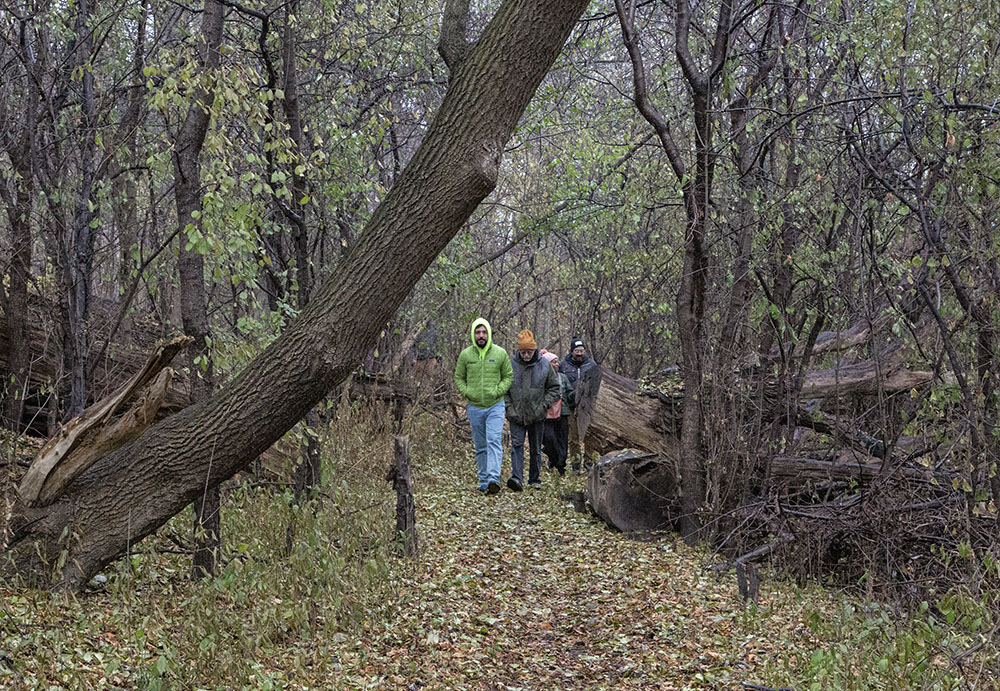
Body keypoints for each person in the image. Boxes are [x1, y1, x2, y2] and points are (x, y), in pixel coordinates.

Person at [454, 318, 513, 494]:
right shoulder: (465, 355)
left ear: (489, 333)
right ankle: (484, 480)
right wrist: (467, 393)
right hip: (474, 406)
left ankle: (493, 478)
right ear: (473, 334)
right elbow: (459, 377)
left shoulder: (500, 353)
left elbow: (508, 376)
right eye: (478, 332)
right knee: (481, 445)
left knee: (493, 440)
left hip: (495, 405)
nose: (481, 336)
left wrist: (497, 391)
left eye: (484, 332)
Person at [505, 330, 559, 490]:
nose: (526, 354)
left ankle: (534, 480)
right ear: (519, 350)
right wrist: (509, 409)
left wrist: (544, 405)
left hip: (537, 415)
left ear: (534, 349)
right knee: (517, 446)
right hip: (516, 414)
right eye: (523, 351)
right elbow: (504, 390)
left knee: (536, 448)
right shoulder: (510, 364)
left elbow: (555, 388)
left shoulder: (544, 365)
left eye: (529, 351)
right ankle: (516, 479)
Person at [562, 338, 597, 474]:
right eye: (577, 351)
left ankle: (589, 464)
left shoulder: (591, 364)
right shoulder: (564, 365)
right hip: (571, 406)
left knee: (589, 436)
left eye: (582, 351)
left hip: (588, 407)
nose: (580, 353)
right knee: (573, 438)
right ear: (572, 352)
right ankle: (576, 465)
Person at [540, 351, 573, 475]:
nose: (557, 364)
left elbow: (569, 392)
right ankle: (553, 458)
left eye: (557, 361)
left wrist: (574, 395)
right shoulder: (541, 378)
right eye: (553, 362)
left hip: (563, 413)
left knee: (562, 440)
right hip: (546, 414)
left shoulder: (562, 377)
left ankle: (561, 466)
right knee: (549, 439)